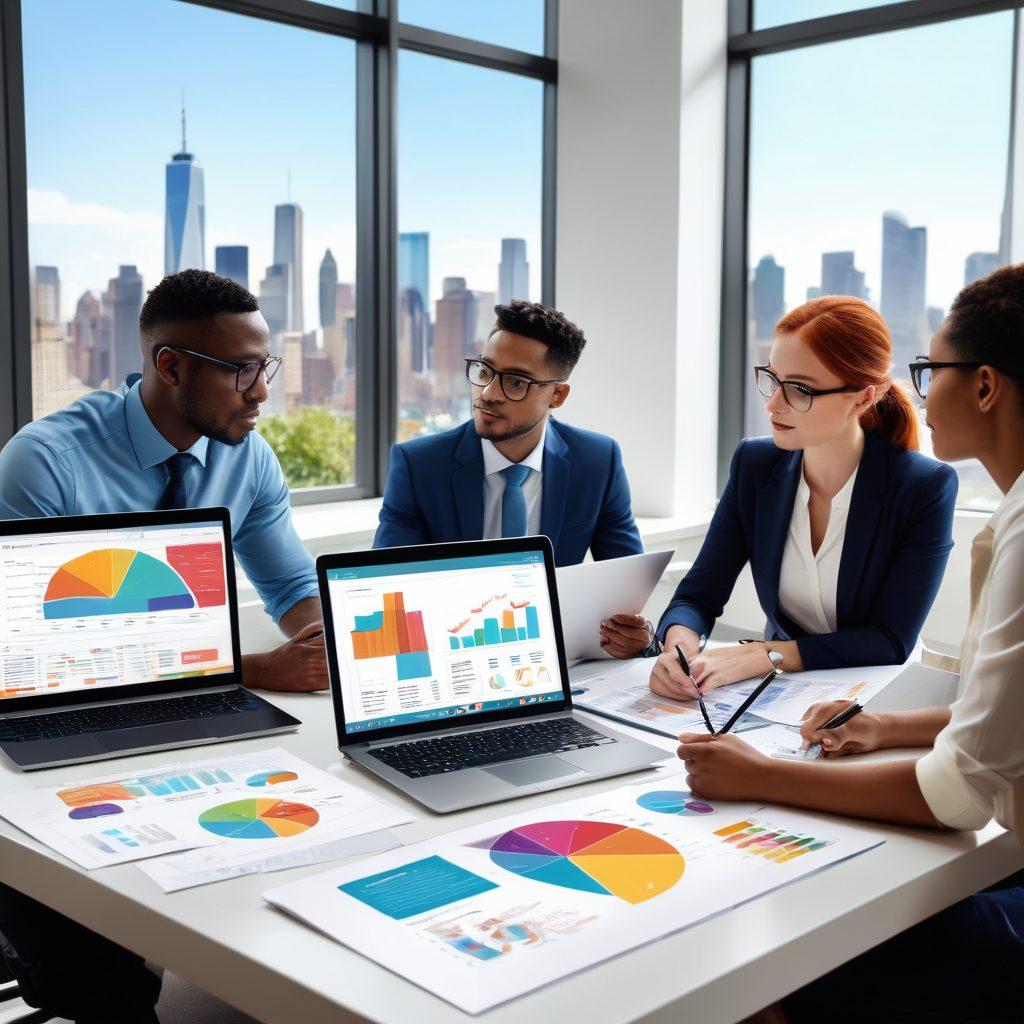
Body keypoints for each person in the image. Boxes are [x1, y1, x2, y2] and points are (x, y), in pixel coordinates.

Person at [677, 264, 1024, 1023]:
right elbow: (998, 715)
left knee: (775, 966)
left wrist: (763, 776)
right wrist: (887, 726)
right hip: (835, 720)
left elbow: (958, 792)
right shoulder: (758, 467)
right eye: (773, 379)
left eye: (934, 372)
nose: (923, 393)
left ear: (988, 386)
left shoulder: (954, 502)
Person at [0, 269, 327, 1023]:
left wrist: (327, 641)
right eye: (241, 371)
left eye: (265, 367)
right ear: (170, 364)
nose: (261, 393)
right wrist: (253, 669)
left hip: (187, 721)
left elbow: (291, 591)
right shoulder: (46, 462)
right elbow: (42, 660)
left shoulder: (247, 457)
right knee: (104, 986)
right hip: (58, 719)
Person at [646, 296, 957, 700]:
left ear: (863, 397)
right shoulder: (755, 465)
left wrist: (764, 656)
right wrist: (679, 642)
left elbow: (890, 640)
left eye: (799, 389)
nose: (773, 403)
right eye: (773, 380)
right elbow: (697, 595)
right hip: (779, 693)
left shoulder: (924, 486)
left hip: (877, 694)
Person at [375, 299, 651, 658]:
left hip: (557, 662)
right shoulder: (418, 465)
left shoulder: (598, 461)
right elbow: (390, 595)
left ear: (557, 395)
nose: (488, 393)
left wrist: (635, 636)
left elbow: (626, 593)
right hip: (452, 655)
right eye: (485, 371)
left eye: (516, 382)